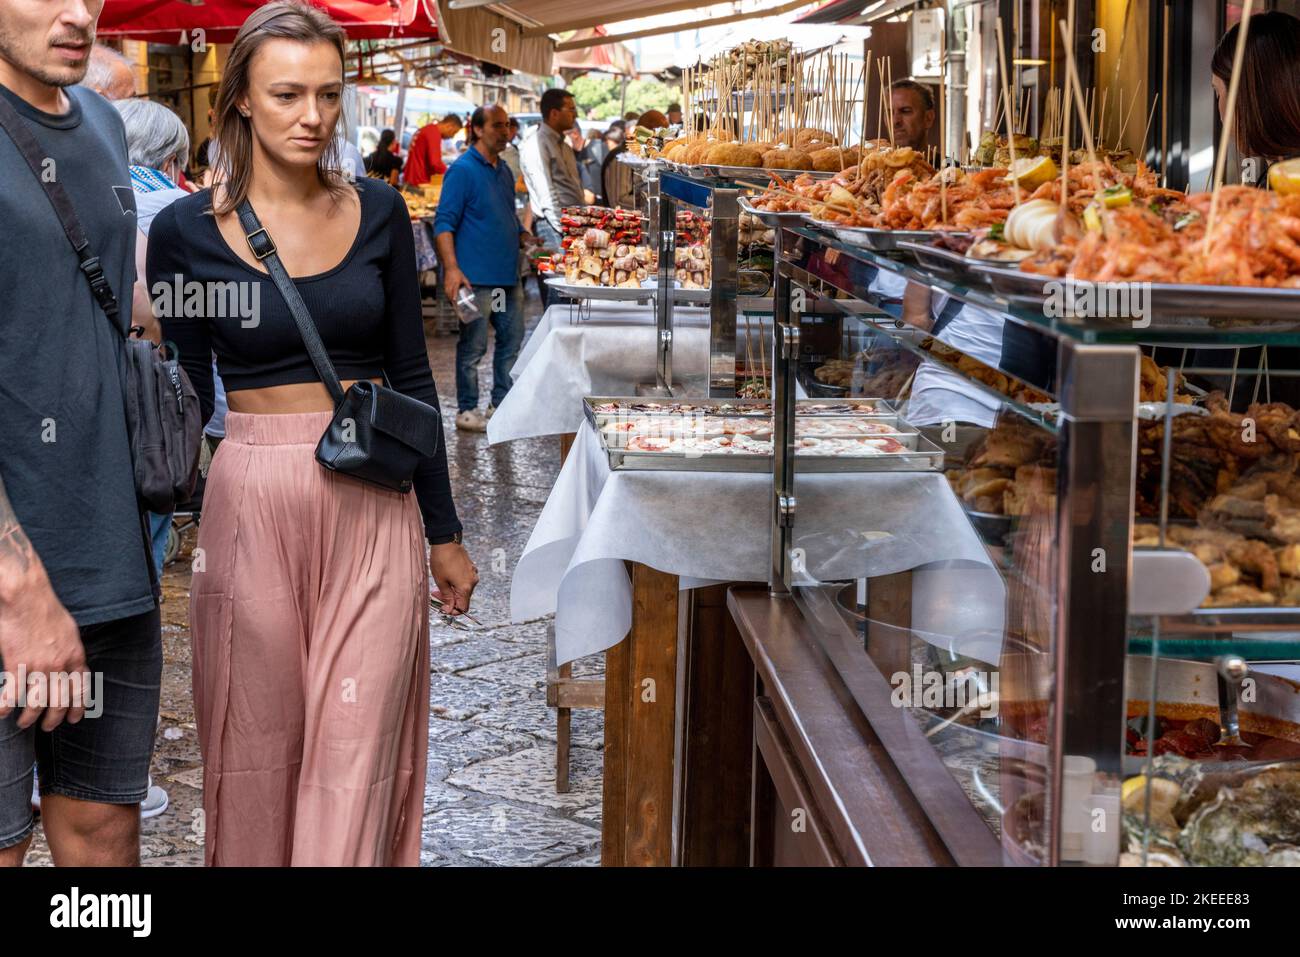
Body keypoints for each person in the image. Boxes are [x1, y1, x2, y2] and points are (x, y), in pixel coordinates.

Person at [146, 0, 477, 866]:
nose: (313, 116)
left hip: (374, 500)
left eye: (328, 95)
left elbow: (412, 379)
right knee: (256, 753)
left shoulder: (377, 214)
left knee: (357, 757)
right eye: (288, 94)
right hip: (251, 499)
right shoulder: (184, 233)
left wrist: (443, 531)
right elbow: (185, 387)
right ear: (243, 101)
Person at [0, 0, 162, 866]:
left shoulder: (101, 119)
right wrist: (17, 590)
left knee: (104, 831)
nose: (77, 13)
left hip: (108, 555)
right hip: (10, 578)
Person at [434, 105, 531, 432]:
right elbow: (443, 223)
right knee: (473, 346)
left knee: (510, 341)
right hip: (472, 280)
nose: (505, 132)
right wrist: (451, 269)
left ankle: (499, 404)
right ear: (477, 129)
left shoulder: (504, 171)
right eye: (497, 126)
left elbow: (506, 213)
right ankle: (467, 409)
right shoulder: (461, 171)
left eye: (507, 126)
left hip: (507, 278)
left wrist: (522, 235)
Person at [521, 87, 582, 306]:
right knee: (559, 294)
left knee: (572, 292)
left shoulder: (563, 144)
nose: (575, 114)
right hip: (554, 226)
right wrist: (563, 227)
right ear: (554, 113)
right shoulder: (535, 145)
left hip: (568, 225)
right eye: (571, 109)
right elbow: (546, 194)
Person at [603, 109, 666, 210]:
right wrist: (658, 205)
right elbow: (619, 201)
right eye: (662, 135)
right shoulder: (622, 158)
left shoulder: (646, 155)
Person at [405, 112, 461, 186]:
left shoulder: (427, 129)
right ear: (449, 126)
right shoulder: (434, 133)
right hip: (419, 181)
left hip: (410, 177)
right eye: (454, 132)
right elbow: (435, 163)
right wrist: (450, 174)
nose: (452, 136)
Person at [890, 79, 935, 151]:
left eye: (905, 111)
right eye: (889, 113)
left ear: (928, 118)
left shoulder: (949, 162)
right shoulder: (874, 162)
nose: (895, 121)